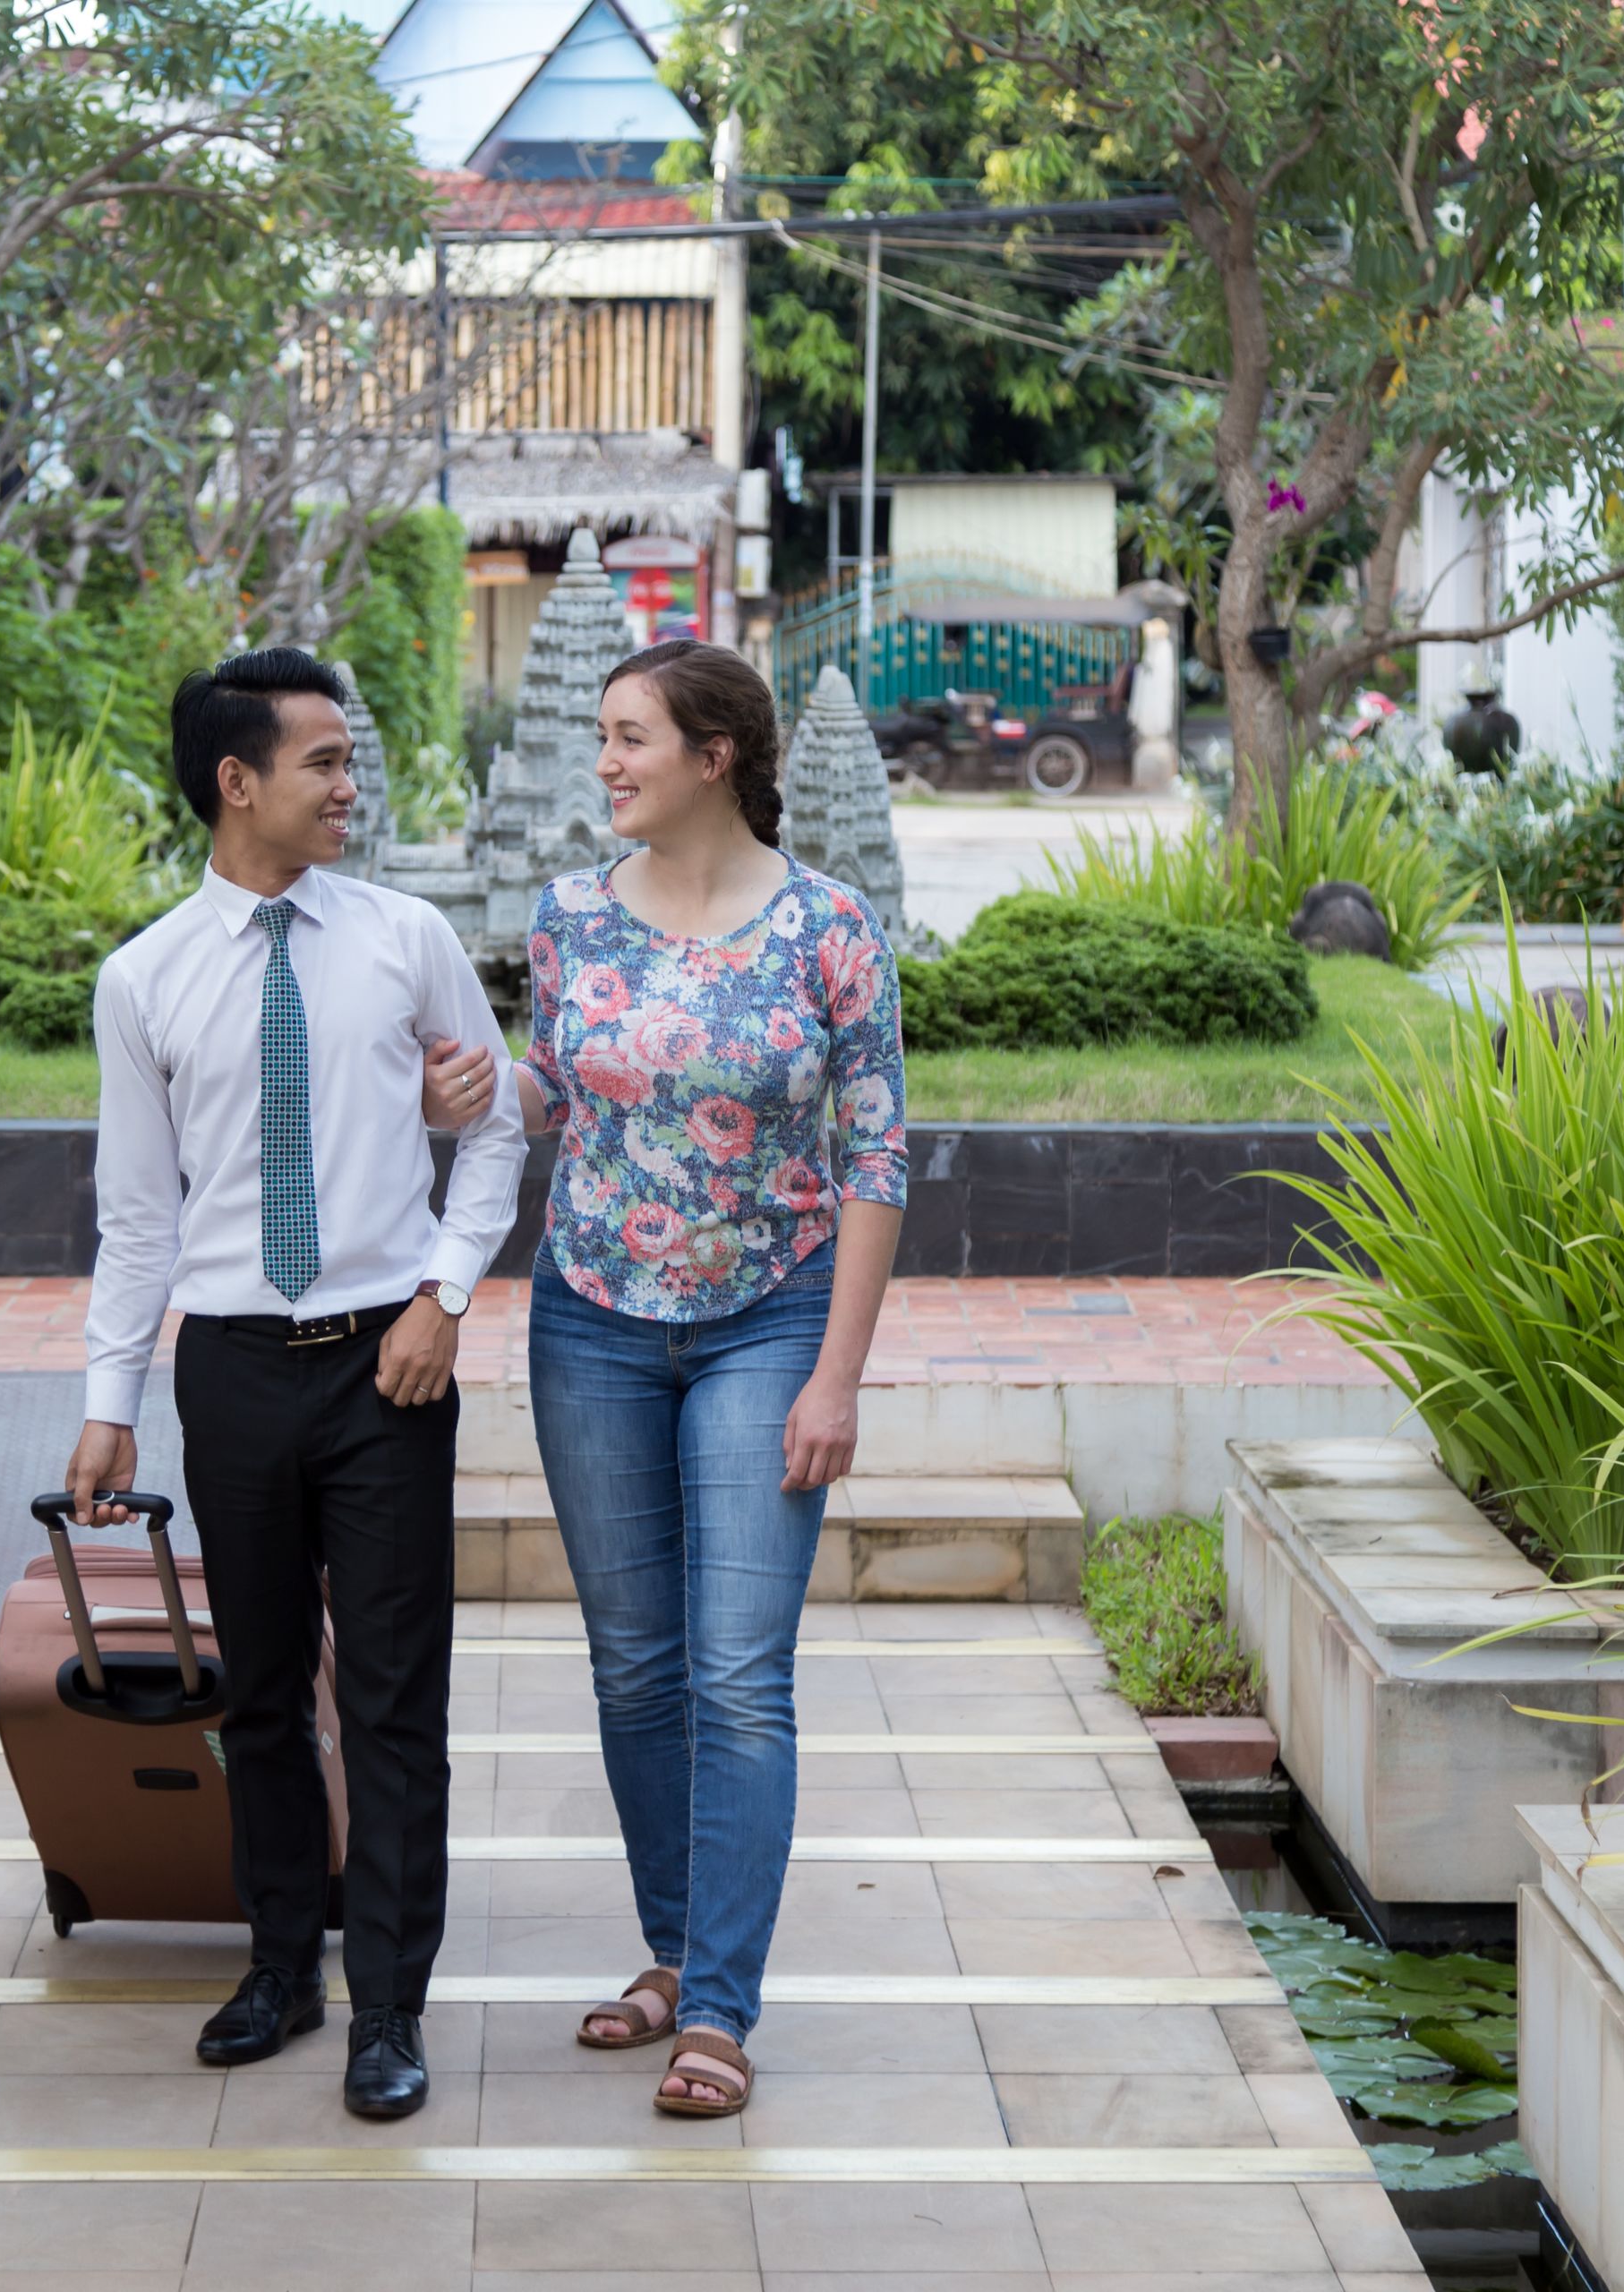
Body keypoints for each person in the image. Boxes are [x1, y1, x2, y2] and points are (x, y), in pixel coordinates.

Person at [424, 637, 904, 2118]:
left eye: (631, 738)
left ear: (716, 755)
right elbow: (561, 1091)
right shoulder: (573, 918)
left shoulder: (832, 929)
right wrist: (480, 1089)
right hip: (591, 1318)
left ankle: (719, 2012)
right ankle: (677, 1952)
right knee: (635, 1666)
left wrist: (838, 1378)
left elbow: (876, 1155)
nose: (607, 763)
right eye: (605, 738)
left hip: (772, 1314)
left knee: (737, 1676)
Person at [64, 647, 526, 2121]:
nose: (352, 784)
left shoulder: (405, 938)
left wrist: (446, 1296)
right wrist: (108, 1395)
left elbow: (502, 1127)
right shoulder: (142, 979)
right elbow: (137, 1213)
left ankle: (389, 2006)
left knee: (396, 1704)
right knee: (259, 1694)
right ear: (237, 782)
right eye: (323, 761)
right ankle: (282, 1964)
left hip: (390, 1364)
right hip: (236, 1374)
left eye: (352, 757)